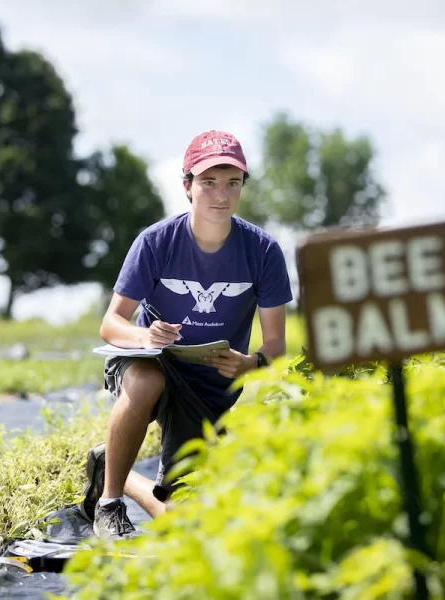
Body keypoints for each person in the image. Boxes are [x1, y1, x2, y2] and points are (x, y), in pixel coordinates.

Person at [77, 129, 293, 540]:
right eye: (208, 182)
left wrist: (252, 364)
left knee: (190, 527)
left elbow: (276, 345)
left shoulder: (263, 252)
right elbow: (112, 323)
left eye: (232, 183)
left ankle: (116, 472)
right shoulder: (155, 243)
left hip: (210, 388)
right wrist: (145, 339)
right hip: (149, 359)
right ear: (187, 187)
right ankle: (108, 505)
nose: (221, 195)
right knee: (147, 379)